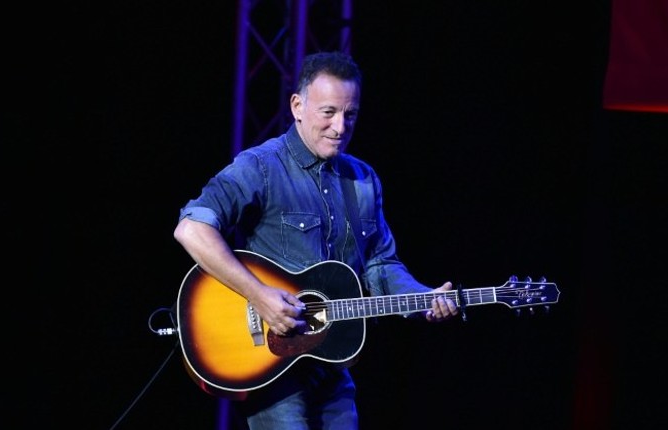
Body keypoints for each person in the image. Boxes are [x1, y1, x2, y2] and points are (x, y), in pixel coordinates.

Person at [173, 51, 459, 429]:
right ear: (297, 106)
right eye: (328, 112)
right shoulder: (262, 165)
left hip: (330, 360)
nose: (340, 126)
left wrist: (424, 297)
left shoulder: (363, 180)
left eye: (350, 114)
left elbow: (380, 264)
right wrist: (259, 294)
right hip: (272, 363)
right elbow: (191, 228)